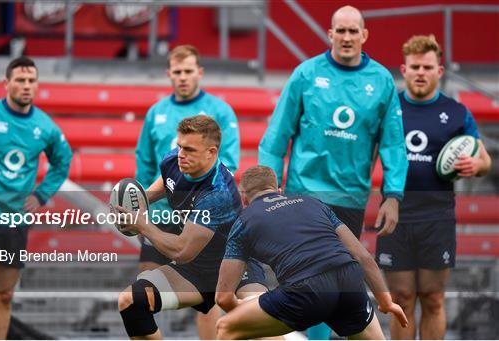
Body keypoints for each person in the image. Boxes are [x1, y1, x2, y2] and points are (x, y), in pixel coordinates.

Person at [258, 6, 408, 338]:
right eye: (340, 31)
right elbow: (276, 137)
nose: (346, 37)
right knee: (311, 281)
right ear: (330, 34)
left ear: (364, 36)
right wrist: (267, 189)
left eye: (353, 31)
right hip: (304, 195)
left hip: (351, 198)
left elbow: (394, 145)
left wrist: (393, 195)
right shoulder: (306, 74)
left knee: (334, 286)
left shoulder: (381, 81)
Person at [376, 35, 492, 340]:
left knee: (433, 299)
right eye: (414, 66)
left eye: (427, 67)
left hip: (437, 217)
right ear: (404, 69)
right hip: (396, 217)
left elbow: (485, 160)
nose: (420, 72)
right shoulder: (390, 108)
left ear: (439, 71)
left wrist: (475, 166)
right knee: (400, 301)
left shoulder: (456, 112)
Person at [214, 166, 408, 339]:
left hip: (305, 290)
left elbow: (223, 297)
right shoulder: (313, 203)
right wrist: (386, 302)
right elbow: (363, 256)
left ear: (244, 198)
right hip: (348, 279)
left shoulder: (243, 221)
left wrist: (245, 309)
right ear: (279, 190)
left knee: (225, 328)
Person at [116, 116, 266, 339]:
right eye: (179, 146)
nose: (181, 154)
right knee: (131, 302)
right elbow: (165, 187)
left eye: (189, 149)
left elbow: (182, 251)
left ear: (211, 152)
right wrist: (137, 202)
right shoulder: (173, 161)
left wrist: (142, 224)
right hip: (196, 271)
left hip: (235, 268)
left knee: (263, 323)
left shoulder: (218, 194)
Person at [0, 57, 72, 339]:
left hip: (16, 220)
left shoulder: (44, 126)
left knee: (5, 294)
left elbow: (62, 161)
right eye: (20, 80)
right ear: (6, 83)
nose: (26, 86)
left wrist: (42, 194)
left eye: (31, 80)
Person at [135, 45, 240, 338]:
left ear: (199, 73)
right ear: (169, 74)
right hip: (160, 212)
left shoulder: (220, 111)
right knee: (146, 287)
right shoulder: (156, 112)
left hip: (203, 215)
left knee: (206, 298)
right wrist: (140, 207)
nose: (183, 77)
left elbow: (226, 164)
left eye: (188, 71)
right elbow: (145, 163)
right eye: (177, 72)